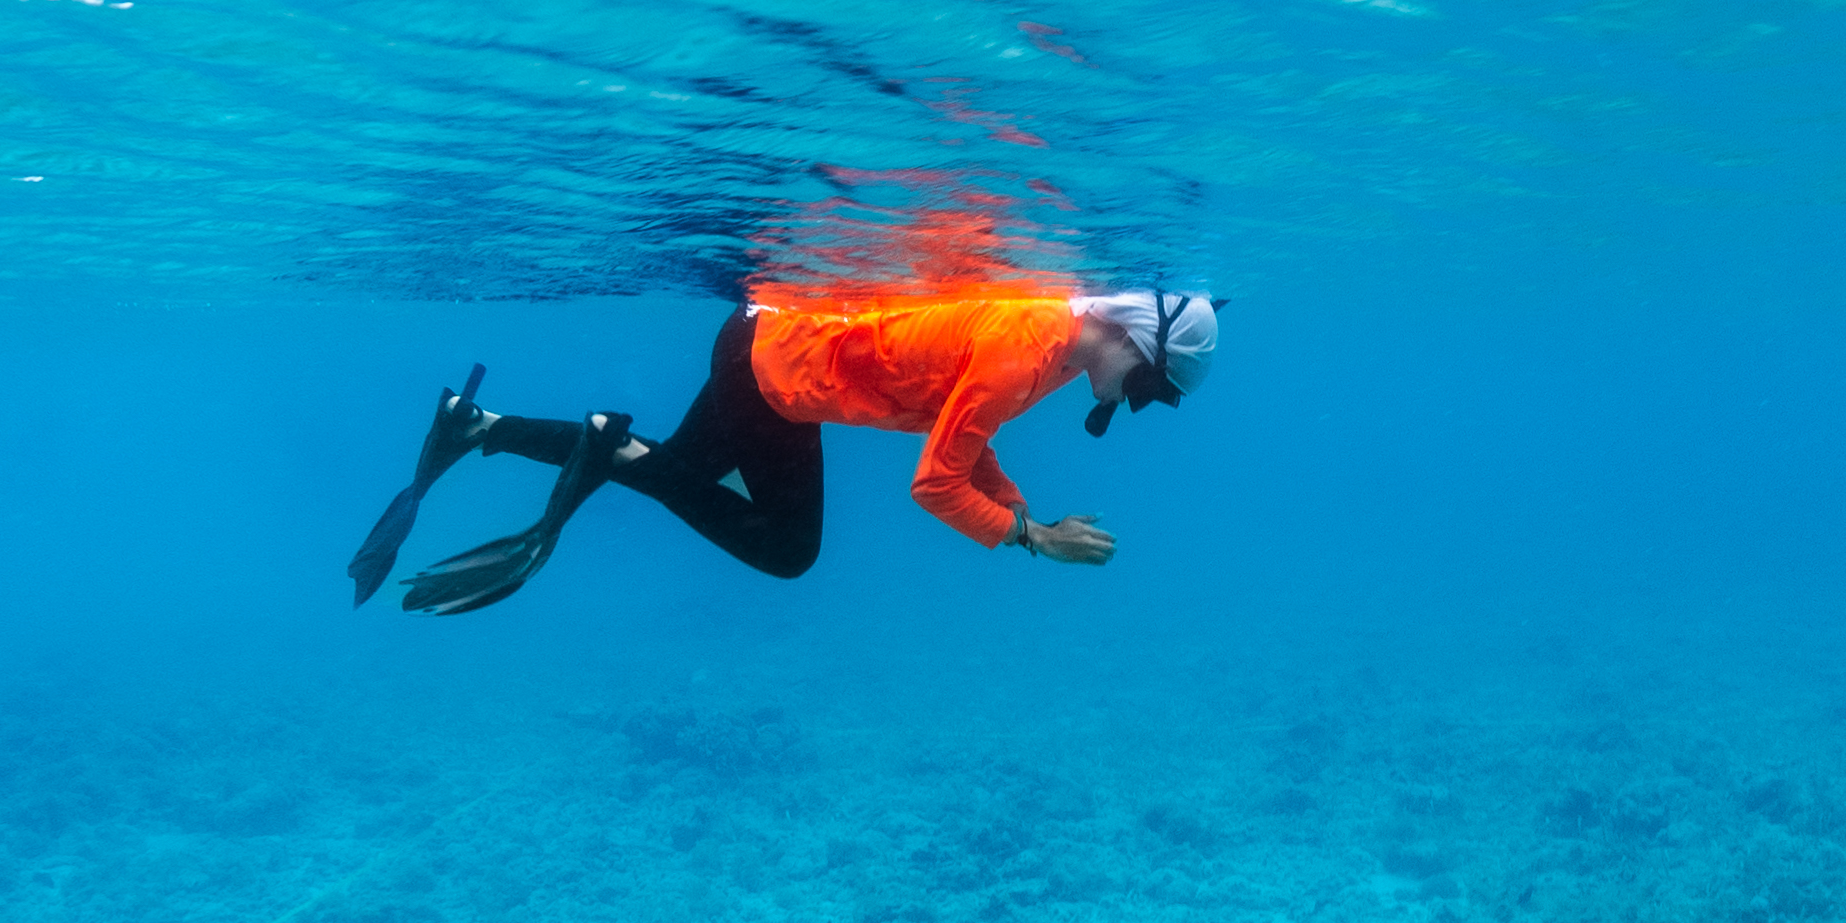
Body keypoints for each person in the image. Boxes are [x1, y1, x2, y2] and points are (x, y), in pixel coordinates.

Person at [348, 287, 1215, 615]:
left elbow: (967, 440)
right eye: (1151, 388)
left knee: (670, 469)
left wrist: (1023, 510)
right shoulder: (1026, 345)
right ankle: (600, 441)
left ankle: (479, 426)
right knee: (789, 551)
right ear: (1137, 343)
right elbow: (935, 483)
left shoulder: (1059, 350)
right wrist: (1033, 539)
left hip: (766, 343)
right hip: (777, 373)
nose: (1139, 404)